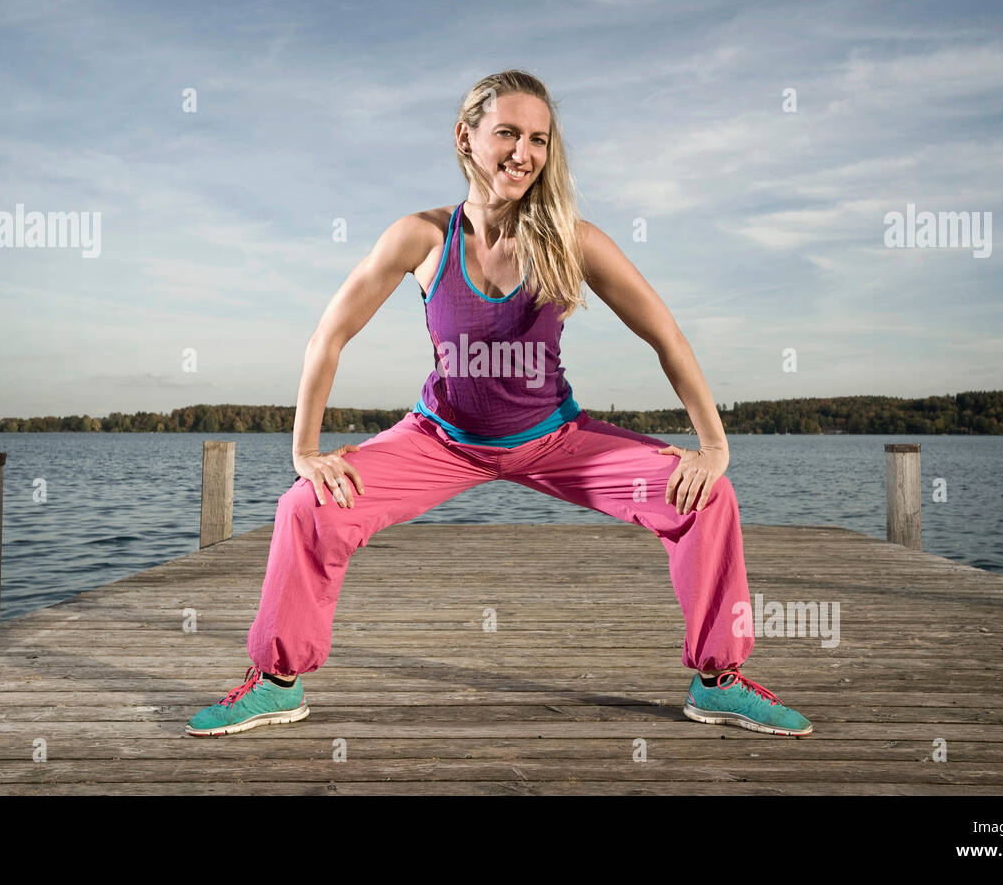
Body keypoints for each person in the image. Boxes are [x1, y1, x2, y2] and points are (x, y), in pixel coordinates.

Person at [187, 69, 812, 738]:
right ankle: (278, 682)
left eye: (539, 139)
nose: (524, 152)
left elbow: (666, 334)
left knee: (707, 497)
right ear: (466, 137)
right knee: (305, 507)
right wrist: (305, 451)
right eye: (507, 133)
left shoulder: (573, 239)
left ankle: (718, 681)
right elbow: (329, 335)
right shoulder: (422, 237)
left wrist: (714, 444)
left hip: (555, 440)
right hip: (439, 439)